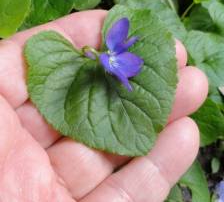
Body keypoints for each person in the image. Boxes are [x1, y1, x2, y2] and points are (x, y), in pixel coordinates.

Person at [0, 10, 208, 202]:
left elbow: (123, 54)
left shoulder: (107, 58)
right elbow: (111, 59)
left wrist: (106, 61)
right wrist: (104, 60)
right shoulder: (105, 59)